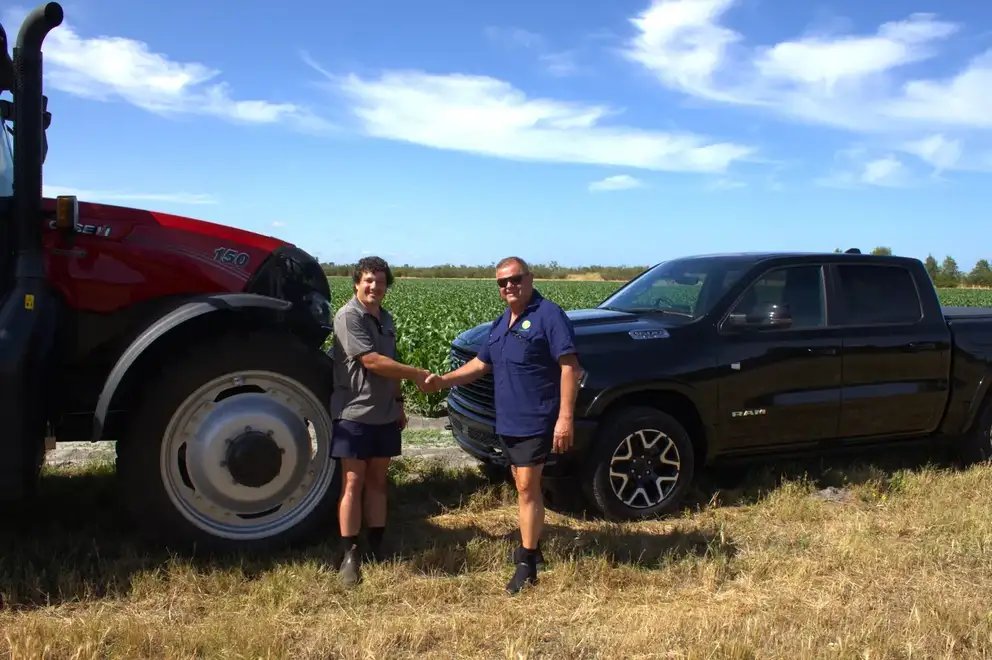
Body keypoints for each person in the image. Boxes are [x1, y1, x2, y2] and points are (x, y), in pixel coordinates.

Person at [424, 256, 582, 594]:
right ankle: (534, 549)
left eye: (515, 279)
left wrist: (565, 418)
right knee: (525, 485)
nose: (509, 286)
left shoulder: (549, 316)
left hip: (536, 418)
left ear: (530, 278)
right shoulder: (501, 323)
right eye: (502, 282)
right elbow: (481, 365)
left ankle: (526, 562)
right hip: (507, 420)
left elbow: (570, 368)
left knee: (526, 487)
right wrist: (443, 381)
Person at [330, 255, 431, 586]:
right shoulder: (349, 316)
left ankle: (377, 544)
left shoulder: (385, 318)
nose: (375, 286)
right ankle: (350, 553)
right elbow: (372, 361)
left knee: (377, 480)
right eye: (369, 280)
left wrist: (399, 402)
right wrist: (417, 373)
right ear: (357, 282)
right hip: (355, 413)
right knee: (352, 482)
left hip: (385, 413)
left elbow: (391, 362)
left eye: (381, 281)